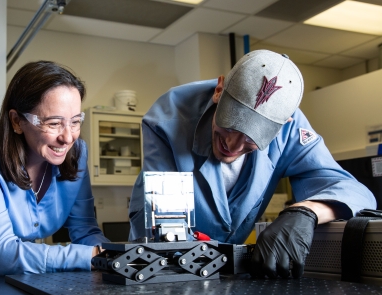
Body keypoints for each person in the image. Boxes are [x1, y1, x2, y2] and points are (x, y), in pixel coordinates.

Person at [128, 49, 375, 279]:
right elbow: (165, 227)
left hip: (233, 274)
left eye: (252, 138)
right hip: (165, 269)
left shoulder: (289, 128)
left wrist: (306, 212)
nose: (232, 145)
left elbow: (353, 191)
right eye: (230, 124)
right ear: (219, 90)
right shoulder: (168, 117)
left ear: (283, 124)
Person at [0, 60, 110, 275]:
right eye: (54, 123)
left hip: (19, 275)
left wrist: (113, 255)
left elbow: (84, 231)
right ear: (17, 121)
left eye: (75, 122)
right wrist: (92, 257)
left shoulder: (76, 153)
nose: (67, 137)